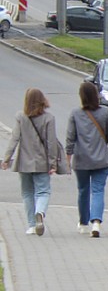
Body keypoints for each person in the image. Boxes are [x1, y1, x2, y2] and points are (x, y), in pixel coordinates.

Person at [1, 88, 59, 236]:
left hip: (23, 162)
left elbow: (14, 139)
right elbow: (51, 143)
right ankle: (40, 212)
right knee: (43, 191)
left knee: (27, 193)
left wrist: (6, 159)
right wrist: (53, 163)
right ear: (42, 100)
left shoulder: (21, 117)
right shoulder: (49, 118)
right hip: (42, 162)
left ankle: (32, 225)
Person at [65, 81, 108, 237]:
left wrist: (68, 160)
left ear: (81, 96)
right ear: (96, 95)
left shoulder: (75, 114)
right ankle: (96, 222)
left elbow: (70, 139)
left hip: (81, 161)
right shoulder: (105, 112)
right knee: (98, 190)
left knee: (83, 191)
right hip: (102, 160)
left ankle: (83, 223)